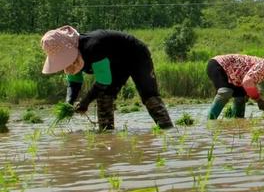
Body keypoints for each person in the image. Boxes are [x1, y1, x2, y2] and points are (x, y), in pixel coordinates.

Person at [41, 25, 173, 130]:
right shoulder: (72, 60)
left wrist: (85, 102)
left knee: (149, 96)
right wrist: (69, 103)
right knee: (104, 96)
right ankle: (106, 132)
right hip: (114, 63)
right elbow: (74, 83)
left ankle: (167, 129)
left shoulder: (92, 47)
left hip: (136, 55)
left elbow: (103, 81)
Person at [206, 54, 264, 119]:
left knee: (241, 97)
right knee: (225, 92)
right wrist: (258, 99)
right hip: (218, 65)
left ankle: (237, 123)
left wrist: (253, 95)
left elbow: (248, 84)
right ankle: (210, 122)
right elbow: (247, 82)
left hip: (234, 75)